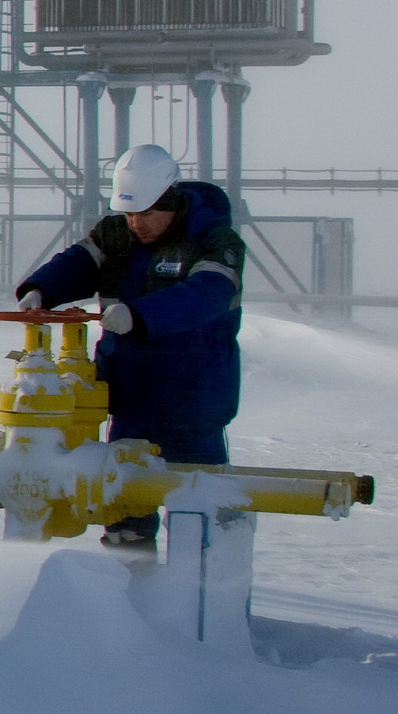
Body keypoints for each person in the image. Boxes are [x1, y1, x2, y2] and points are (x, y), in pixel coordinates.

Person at [15, 143, 244, 548]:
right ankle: (129, 590)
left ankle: (203, 593)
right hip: (130, 399)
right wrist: (40, 289)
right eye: (129, 213)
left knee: (201, 508)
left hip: (193, 402)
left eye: (146, 213)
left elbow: (209, 293)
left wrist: (141, 317)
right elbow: (80, 262)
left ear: (171, 201)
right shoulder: (117, 234)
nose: (136, 223)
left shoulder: (212, 240)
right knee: (124, 509)